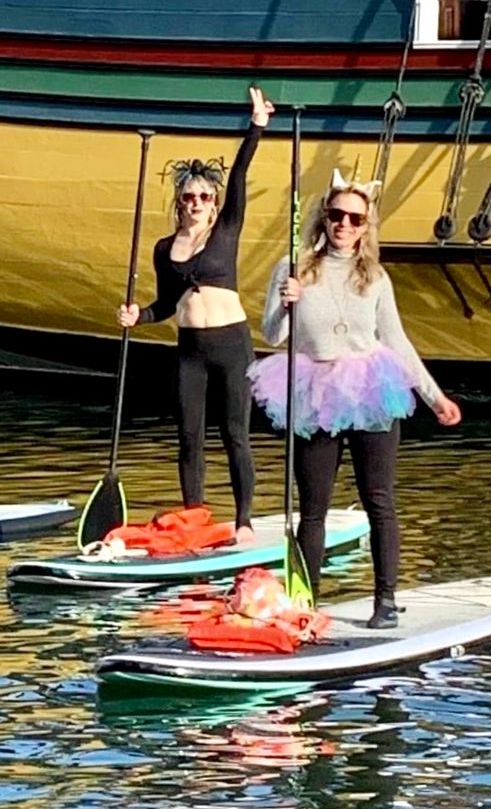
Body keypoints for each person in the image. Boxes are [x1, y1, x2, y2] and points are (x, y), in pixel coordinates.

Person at [250, 171, 462, 629]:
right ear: (323, 218)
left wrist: (434, 396)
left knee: (379, 499)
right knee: (314, 509)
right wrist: (287, 304)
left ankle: (385, 600)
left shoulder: (376, 277)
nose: (344, 224)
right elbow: (272, 335)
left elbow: (397, 341)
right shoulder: (294, 266)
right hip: (315, 390)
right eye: (336, 215)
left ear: (366, 226)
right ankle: (305, 603)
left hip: (370, 388)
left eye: (355, 218)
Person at [118, 86, 273, 542]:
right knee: (189, 437)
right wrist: (138, 315)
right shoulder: (165, 249)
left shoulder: (226, 230)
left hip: (230, 344)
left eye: (204, 197)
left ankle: (244, 521)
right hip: (189, 350)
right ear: (178, 202)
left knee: (235, 434)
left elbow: (241, 173)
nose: (196, 204)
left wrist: (256, 126)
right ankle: (195, 519)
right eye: (188, 198)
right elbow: (166, 304)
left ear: (213, 203)